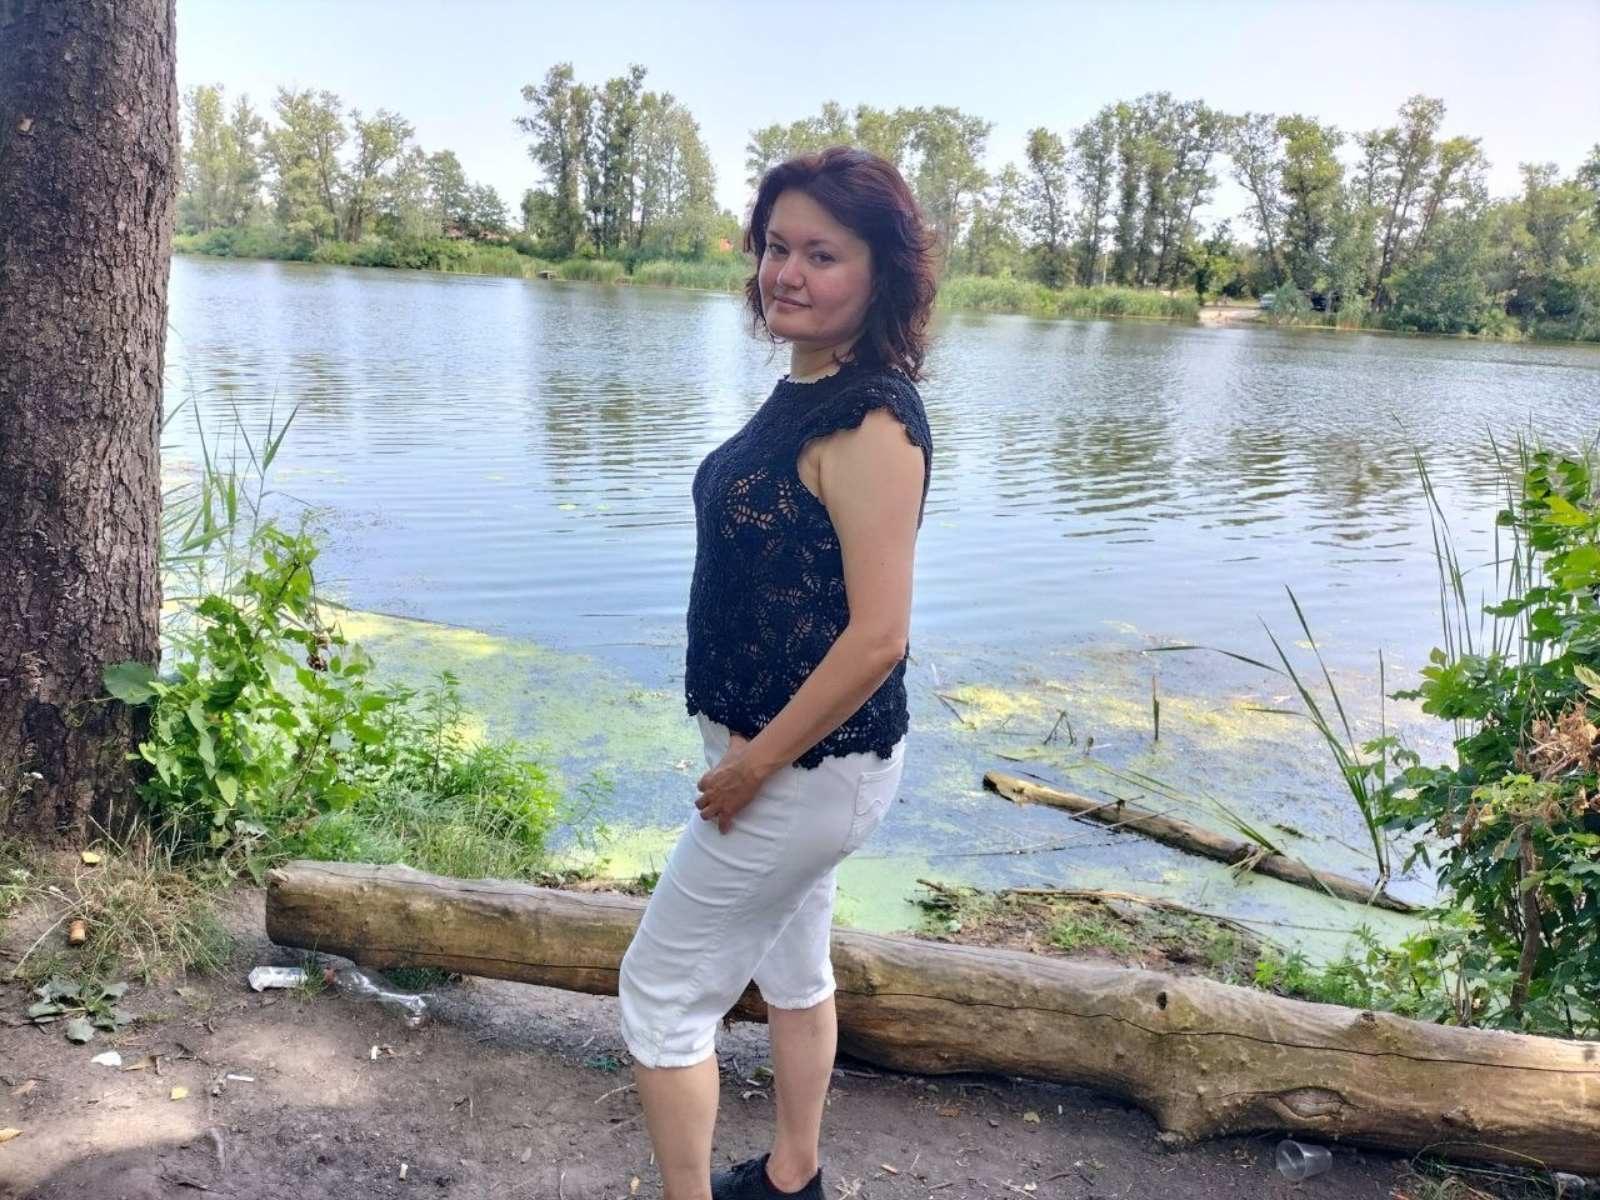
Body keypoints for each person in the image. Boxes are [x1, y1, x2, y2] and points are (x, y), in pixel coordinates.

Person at [616, 145, 939, 1200]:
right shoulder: (808, 387)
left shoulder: (873, 421)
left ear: (880, 275)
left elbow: (878, 638)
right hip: (787, 760)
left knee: (661, 994)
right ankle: (793, 1176)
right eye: (776, 246)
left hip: (803, 769)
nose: (787, 273)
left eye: (822, 254)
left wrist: (753, 767)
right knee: (794, 969)